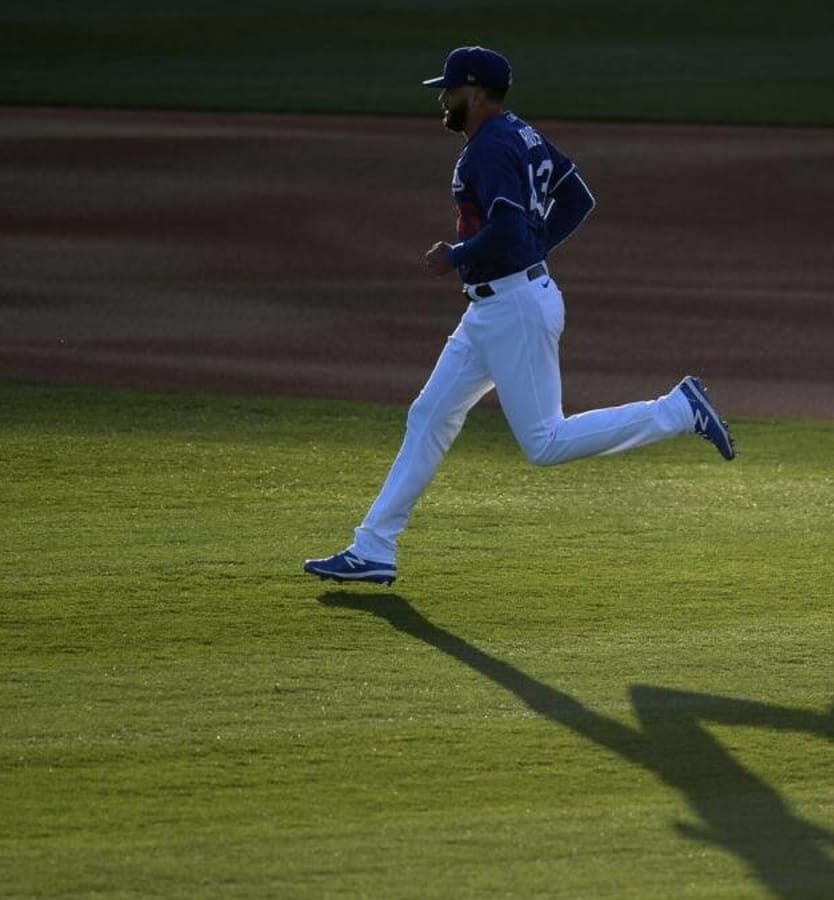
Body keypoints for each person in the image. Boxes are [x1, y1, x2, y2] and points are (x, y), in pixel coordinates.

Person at [304, 46, 735, 585]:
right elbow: (577, 198)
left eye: (452, 89)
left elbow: (510, 228)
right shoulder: (521, 134)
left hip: (513, 308)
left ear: (477, 94)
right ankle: (374, 549)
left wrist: (458, 256)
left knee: (545, 441)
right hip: (496, 309)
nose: (443, 98)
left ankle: (677, 410)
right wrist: (533, 249)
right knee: (430, 416)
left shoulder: (488, 150)